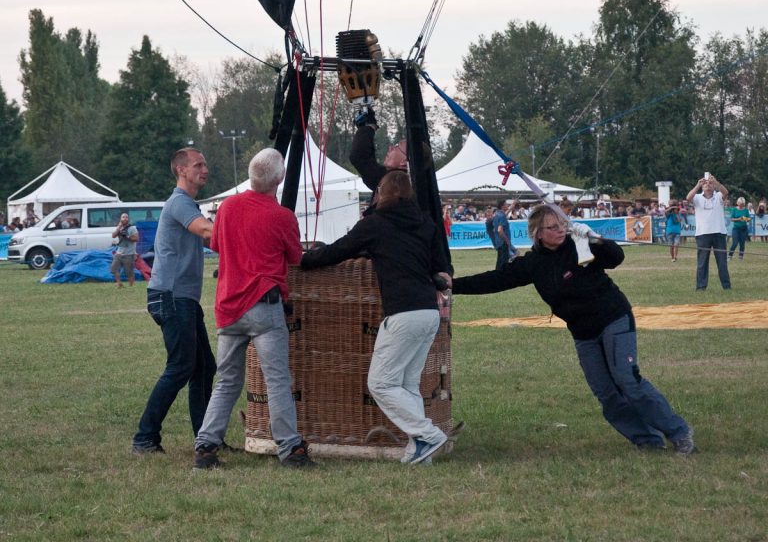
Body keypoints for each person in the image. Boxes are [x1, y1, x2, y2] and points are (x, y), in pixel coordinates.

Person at [452, 205, 695, 454]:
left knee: (627, 380)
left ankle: (679, 432)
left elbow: (615, 258)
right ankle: (647, 440)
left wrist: (596, 241)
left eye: (562, 225)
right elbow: (495, 280)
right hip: (583, 333)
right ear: (537, 233)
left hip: (613, 318)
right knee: (606, 393)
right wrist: (452, 285)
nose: (560, 230)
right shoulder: (534, 263)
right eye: (553, 227)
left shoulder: (580, 244)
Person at [301, 170, 452, 465]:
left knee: (381, 383)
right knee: (407, 384)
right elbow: (439, 268)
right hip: (428, 313)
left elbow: (339, 250)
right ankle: (419, 450)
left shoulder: (376, 224)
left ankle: (428, 434)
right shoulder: (427, 223)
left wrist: (304, 259)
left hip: (403, 312)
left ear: (381, 194)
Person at [193, 148, 314, 470]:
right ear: (280, 179)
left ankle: (206, 447)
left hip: (228, 306)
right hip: (264, 305)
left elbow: (217, 244)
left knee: (227, 383)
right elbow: (295, 258)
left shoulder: (228, 207)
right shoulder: (282, 217)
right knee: (277, 381)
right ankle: (290, 449)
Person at [132, 148, 216, 455]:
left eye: (205, 164)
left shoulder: (188, 204)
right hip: (170, 296)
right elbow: (205, 230)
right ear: (181, 170)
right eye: (198, 165)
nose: (204, 169)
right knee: (181, 367)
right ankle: (144, 438)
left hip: (184, 298)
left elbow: (211, 239)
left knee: (204, 367)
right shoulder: (180, 202)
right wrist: (242, 226)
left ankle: (206, 438)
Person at [686, 175, 731, 291]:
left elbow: (726, 192)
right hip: (702, 234)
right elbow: (688, 198)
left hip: (719, 233)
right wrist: (697, 185)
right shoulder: (697, 197)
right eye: (705, 184)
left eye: (710, 184)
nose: (708, 185)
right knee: (702, 263)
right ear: (702, 186)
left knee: (722, 262)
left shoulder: (719, 196)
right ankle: (701, 287)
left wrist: (716, 182)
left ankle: (726, 286)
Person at [111, 212, 138, 288]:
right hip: (119, 252)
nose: (125, 218)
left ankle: (131, 286)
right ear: (120, 219)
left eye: (126, 217)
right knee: (113, 269)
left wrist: (127, 237)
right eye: (123, 217)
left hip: (129, 253)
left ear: (128, 219)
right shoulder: (119, 227)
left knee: (129, 272)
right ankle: (119, 283)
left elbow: (136, 238)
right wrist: (118, 227)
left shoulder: (132, 228)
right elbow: (113, 235)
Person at [492, 199, 516, 269]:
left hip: (498, 242)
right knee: (504, 263)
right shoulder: (501, 216)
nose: (507, 205)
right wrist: (507, 241)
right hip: (503, 242)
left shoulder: (497, 214)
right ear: (502, 206)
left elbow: (503, 216)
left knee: (499, 261)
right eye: (506, 204)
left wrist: (511, 207)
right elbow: (500, 230)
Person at [728, 196, 750, 261]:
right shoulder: (734, 209)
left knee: (742, 243)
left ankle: (741, 257)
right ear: (737, 203)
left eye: (742, 205)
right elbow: (731, 219)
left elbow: (748, 219)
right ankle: (730, 255)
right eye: (740, 204)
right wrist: (738, 219)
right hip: (736, 229)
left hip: (744, 229)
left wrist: (744, 219)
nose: (741, 206)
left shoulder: (746, 210)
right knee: (734, 243)